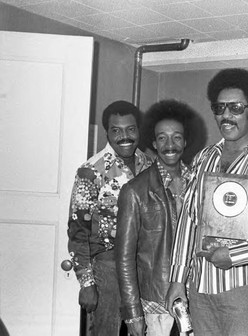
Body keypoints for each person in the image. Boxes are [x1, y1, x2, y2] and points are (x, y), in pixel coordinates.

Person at [165, 68, 248, 336]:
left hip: (244, 287)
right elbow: (188, 220)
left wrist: (237, 255)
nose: (226, 115)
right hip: (199, 285)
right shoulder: (205, 157)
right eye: (219, 107)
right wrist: (177, 279)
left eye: (236, 108)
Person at [67, 100, 153, 336]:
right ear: (107, 132)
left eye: (131, 129)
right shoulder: (91, 171)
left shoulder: (151, 165)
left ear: (139, 130)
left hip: (144, 265)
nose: (124, 136)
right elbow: (77, 231)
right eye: (116, 130)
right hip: (108, 267)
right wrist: (86, 283)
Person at [115, 100, 195, 336]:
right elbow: (125, 259)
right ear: (153, 142)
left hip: (198, 300)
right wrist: (133, 314)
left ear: (186, 140)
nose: (170, 145)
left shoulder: (201, 183)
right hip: (156, 305)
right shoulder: (134, 191)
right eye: (162, 138)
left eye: (177, 137)